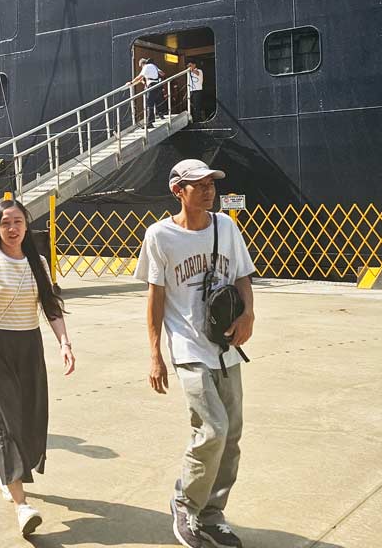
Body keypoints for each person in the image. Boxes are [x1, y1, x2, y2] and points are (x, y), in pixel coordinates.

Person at [137, 159, 256, 548]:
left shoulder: (226, 227)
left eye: (211, 184)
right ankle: (185, 504)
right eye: (199, 185)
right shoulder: (160, 236)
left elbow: (241, 275)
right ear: (178, 191)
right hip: (188, 346)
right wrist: (155, 354)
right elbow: (155, 298)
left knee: (231, 436)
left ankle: (212, 513)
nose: (208, 191)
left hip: (226, 345)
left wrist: (248, 315)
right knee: (212, 428)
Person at [0, 199, 75, 537]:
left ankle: (5, 471)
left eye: (18, 222)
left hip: (29, 346)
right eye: (5, 223)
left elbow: (51, 307)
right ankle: (22, 505)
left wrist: (64, 343)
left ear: (26, 225)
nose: (12, 229)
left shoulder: (38, 262)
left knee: (31, 419)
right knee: (6, 422)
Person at [131, 58, 165, 126]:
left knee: (150, 104)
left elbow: (139, 76)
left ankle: (150, 122)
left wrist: (131, 82)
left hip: (151, 86)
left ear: (142, 64)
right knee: (157, 101)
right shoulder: (154, 66)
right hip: (157, 85)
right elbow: (162, 73)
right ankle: (161, 115)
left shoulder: (145, 67)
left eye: (141, 66)